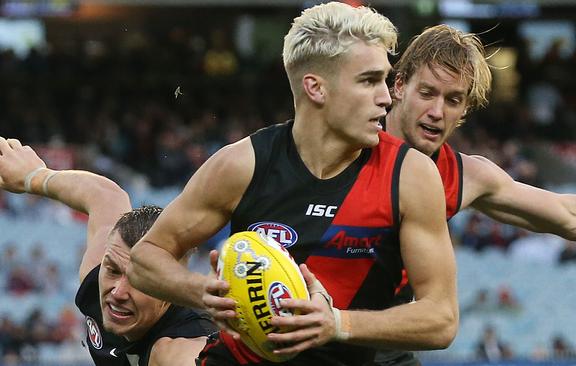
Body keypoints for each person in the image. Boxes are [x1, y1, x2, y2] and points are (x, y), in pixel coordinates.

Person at [127, 2, 458, 366]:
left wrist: (336, 324)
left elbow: (441, 319)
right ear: (315, 88)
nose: (386, 97)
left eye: (384, 80)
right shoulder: (243, 164)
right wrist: (206, 293)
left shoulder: (408, 174)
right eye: (368, 80)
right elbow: (144, 260)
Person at [378, 24, 576, 365]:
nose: (437, 111)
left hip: (382, 342)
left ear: (465, 109)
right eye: (427, 93)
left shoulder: (464, 175)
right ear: (399, 85)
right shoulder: (351, 148)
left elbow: (572, 216)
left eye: (453, 100)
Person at [0, 137, 217, 366]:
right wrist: (35, 177)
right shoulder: (99, 272)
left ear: (171, 284)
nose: (117, 293)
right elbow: (105, 195)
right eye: (112, 271)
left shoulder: (181, 350)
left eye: (139, 280)